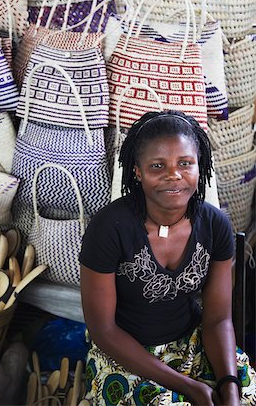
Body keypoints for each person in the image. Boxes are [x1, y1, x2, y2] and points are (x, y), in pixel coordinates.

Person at [79, 110, 256, 406]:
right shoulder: (110, 229)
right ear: (137, 171)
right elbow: (103, 330)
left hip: (194, 344)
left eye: (185, 163)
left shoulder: (214, 225)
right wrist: (189, 387)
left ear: (200, 167)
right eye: (157, 166)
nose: (173, 174)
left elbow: (218, 318)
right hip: (127, 355)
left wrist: (228, 384)